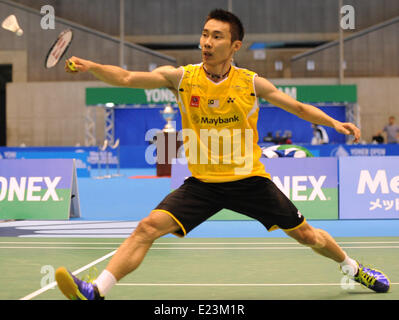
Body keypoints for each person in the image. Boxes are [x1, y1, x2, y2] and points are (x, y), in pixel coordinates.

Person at [55, 9, 390, 300]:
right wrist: (90, 66)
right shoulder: (183, 78)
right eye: (204, 34)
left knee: (307, 235)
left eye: (216, 37)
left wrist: (334, 122)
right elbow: (128, 77)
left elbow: (299, 107)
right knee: (147, 227)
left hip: (250, 181)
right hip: (203, 184)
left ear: (234, 46)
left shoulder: (250, 83)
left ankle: (353, 268)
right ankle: (96, 291)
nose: (207, 42)